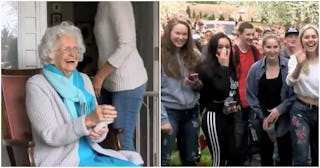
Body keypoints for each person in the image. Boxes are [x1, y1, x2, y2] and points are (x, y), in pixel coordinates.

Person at [25, 22, 143, 166]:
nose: (73, 54)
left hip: (93, 153)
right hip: (62, 161)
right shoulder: (37, 85)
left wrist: (98, 130)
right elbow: (49, 135)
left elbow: (95, 131)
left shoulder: (85, 80)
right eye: (66, 49)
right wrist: (87, 121)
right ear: (50, 55)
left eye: (75, 49)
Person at [93, 2, 148, 151]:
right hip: (107, 83)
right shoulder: (102, 5)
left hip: (128, 82)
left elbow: (127, 44)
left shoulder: (118, 3)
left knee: (122, 141)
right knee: (102, 138)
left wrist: (99, 76)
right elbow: (105, 48)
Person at [246, 34, 295, 166]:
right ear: (262, 48)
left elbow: (295, 94)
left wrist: (280, 109)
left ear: (280, 48)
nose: (272, 50)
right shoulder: (255, 69)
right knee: (266, 155)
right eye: (268, 47)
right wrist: (264, 117)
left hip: (285, 118)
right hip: (264, 120)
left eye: (275, 47)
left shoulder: (289, 66)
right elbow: (250, 95)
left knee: (286, 156)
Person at [161, 18, 202, 166]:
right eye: (177, 33)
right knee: (164, 158)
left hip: (191, 112)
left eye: (185, 34)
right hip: (169, 111)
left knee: (190, 158)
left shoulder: (195, 55)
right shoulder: (159, 56)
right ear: (168, 33)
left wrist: (196, 83)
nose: (181, 37)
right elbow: (154, 90)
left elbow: (204, 85)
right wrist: (162, 118)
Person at [197, 32, 242, 166]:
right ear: (213, 49)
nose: (224, 50)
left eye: (227, 47)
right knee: (219, 158)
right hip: (213, 116)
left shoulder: (230, 67)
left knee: (233, 156)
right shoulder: (205, 68)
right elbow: (221, 89)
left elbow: (234, 89)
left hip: (230, 116)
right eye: (220, 47)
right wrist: (223, 67)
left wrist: (237, 103)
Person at [286, 24, 319, 166]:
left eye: (314, 36)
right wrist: (299, 65)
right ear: (302, 40)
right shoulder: (295, 59)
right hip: (301, 111)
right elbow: (290, 82)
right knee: (301, 154)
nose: (310, 40)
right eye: (307, 37)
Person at [232, 21, 261, 164]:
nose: (251, 37)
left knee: (253, 130)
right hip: (238, 100)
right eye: (248, 34)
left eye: (253, 34)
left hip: (252, 99)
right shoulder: (233, 52)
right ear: (239, 34)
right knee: (239, 132)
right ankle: (240, 160)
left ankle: (252, 157)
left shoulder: (255, 52)